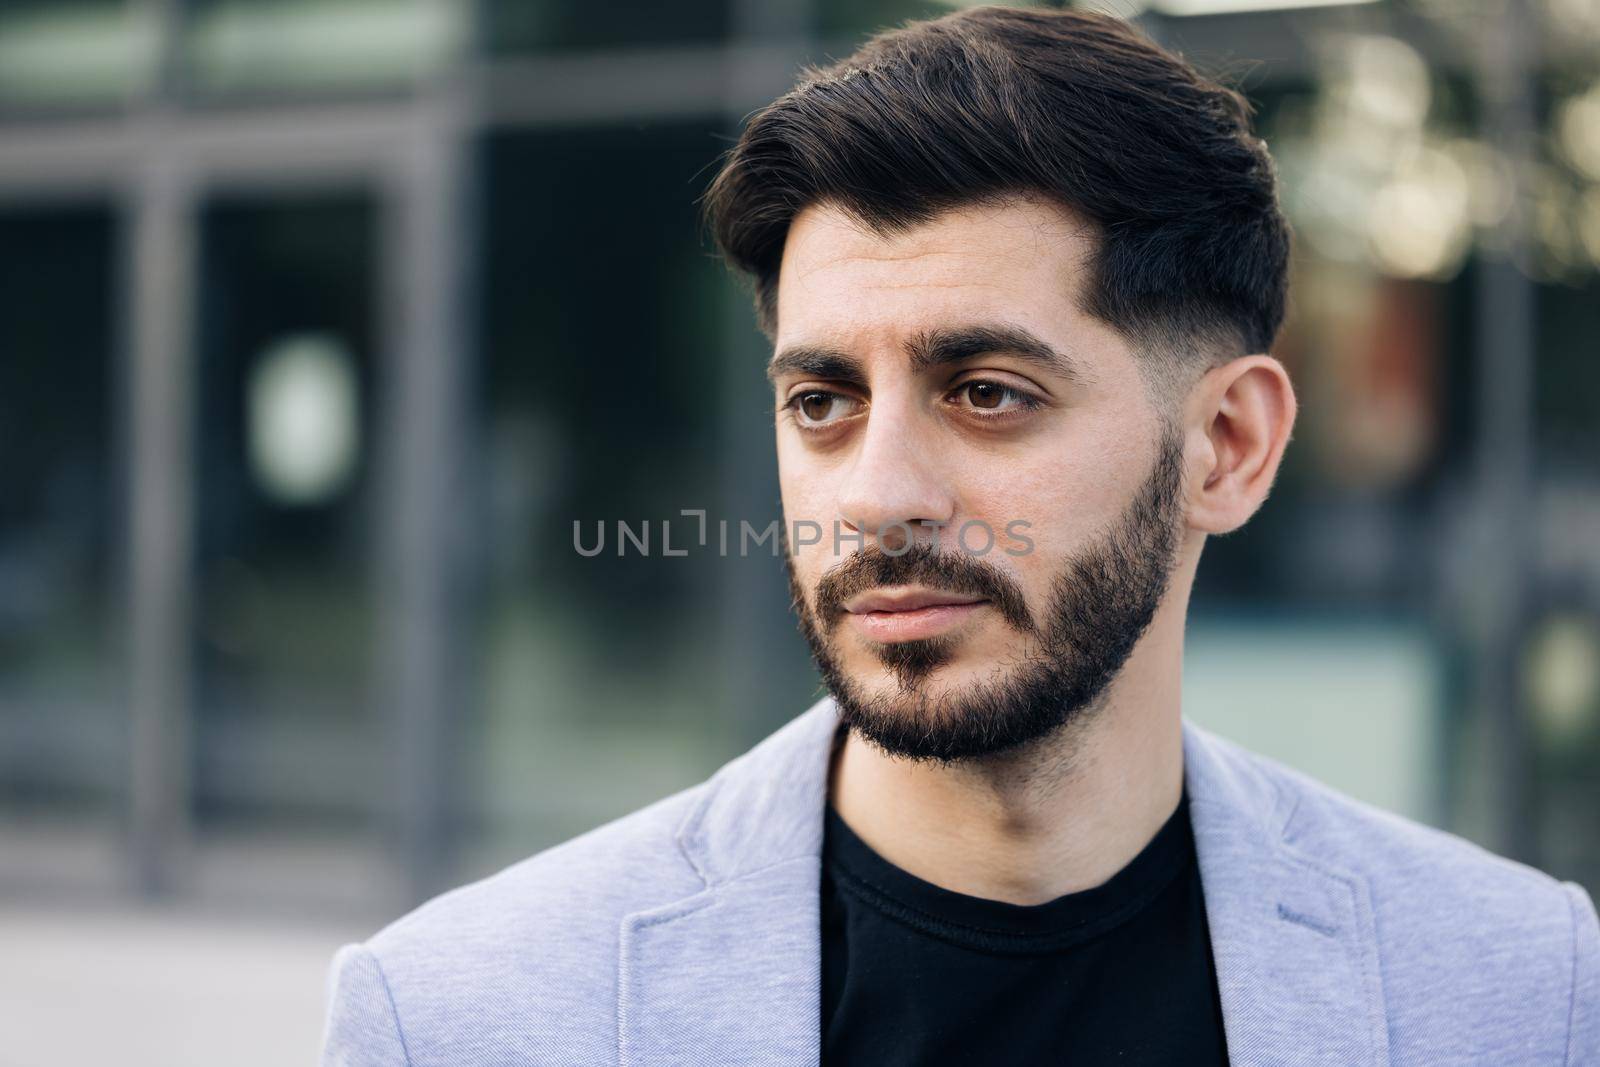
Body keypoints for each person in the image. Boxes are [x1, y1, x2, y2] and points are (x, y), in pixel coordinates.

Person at [320, 7, 1599, 1065]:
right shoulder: (456, 1018)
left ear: (1228, 447)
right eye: (821, 402)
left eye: (988, 392)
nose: (874, 497)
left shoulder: (1526, 995)